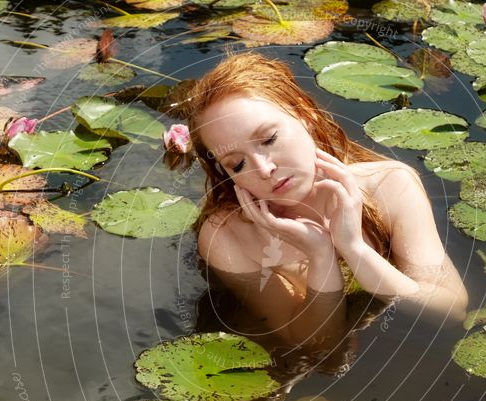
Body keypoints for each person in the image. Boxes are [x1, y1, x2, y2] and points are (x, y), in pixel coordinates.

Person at [183, 51, 468, 349]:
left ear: (305, 116)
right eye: (237, 164)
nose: (264, 169)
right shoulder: (227, 236)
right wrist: (320, 254)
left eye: (269, 139)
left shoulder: (390, 186)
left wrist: (355, 249)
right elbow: (318, 345)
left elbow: (451, 312)